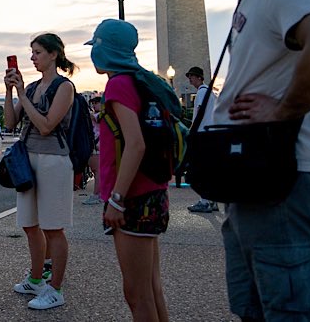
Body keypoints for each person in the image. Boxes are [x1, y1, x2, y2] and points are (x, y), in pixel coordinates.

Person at [188, 0, 310, 321]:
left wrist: (283, 110)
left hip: (284, 182)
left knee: (292, 312)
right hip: (258, 182)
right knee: (256, 309)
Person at [86, 19, 174, 321]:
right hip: (154, 192)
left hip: (133, 199)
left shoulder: (118, 85)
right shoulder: (146, 81)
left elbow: (135, 144)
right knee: (152, 289)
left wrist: (117, 199)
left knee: (136, 296)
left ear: (105, 49)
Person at [3, 32, 76, 310]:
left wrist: (23, 94)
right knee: (29, 224)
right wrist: (11, 92)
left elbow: (47, 126)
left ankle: (55, 288)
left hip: (54, 160)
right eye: (31, 53)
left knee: (53, 228)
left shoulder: (64, 87)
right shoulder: (32, 88)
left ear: (53, 54)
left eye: (37, 52)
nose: (32, 58)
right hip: (28, 160)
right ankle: (36, 279)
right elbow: (10, 123)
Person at [184, 66, 218, 213]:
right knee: (211, 168)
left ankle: (204, 202)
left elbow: (199, 112)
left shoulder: (201, 92)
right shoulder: (212, 93)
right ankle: (213, 200)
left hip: (202, 134)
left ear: (199, 77)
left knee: (202, 168)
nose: (190, 79)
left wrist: (192, 131)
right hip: (212, 134)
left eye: (192, 76)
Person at [82, 96, 102, 205]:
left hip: (98, 146)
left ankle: (97, 194)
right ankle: (99, 194)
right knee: (97, 171)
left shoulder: (101, 115)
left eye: (96, 103)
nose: (94, 105)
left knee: (97, 171)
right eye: (92, 103)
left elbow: (95, 119)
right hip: (96, 145)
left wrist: (84, 110)